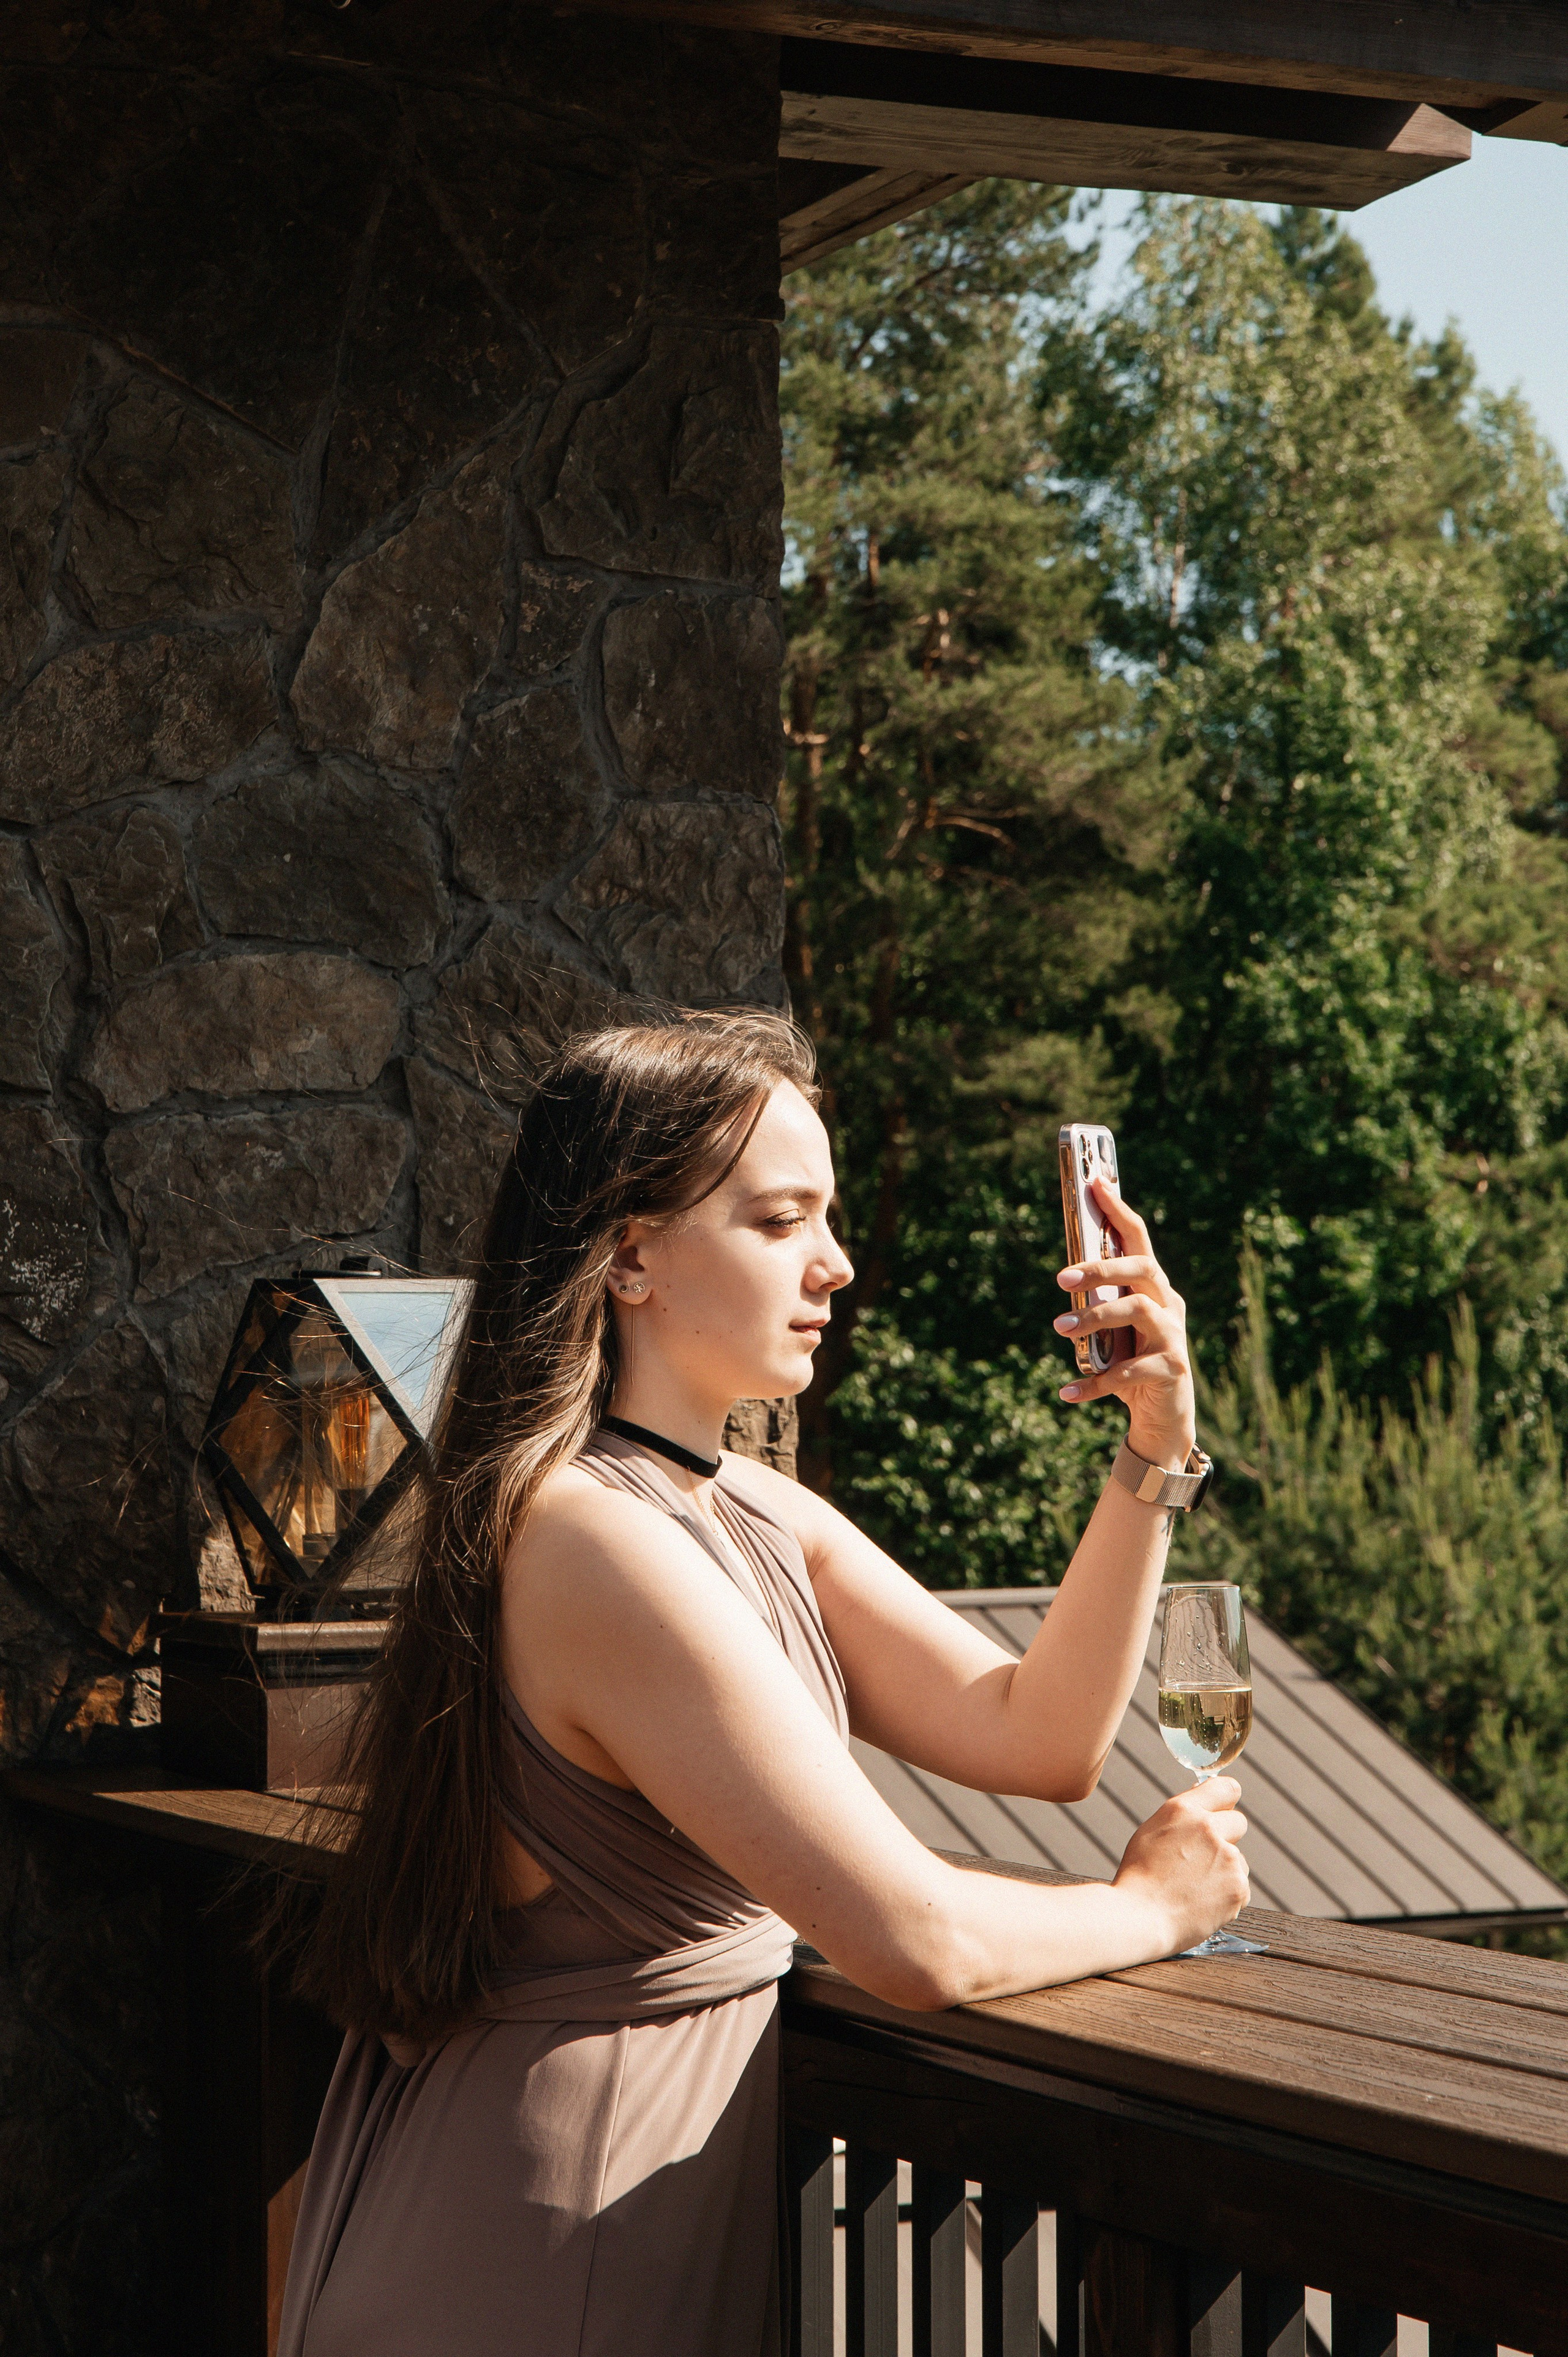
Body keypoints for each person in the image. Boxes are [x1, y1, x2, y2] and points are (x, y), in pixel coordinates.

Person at [278, 1010, 1248, 2357]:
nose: (835, 1265)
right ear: (628, 1254)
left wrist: (1153, 1448)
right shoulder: (592, 1540)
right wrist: (1148, 1908)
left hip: (593, 2226)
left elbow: (1037, 1737)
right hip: (542, 2258)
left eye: (826, 1218)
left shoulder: (747, 1511)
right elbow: (919, 1944)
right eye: (781, 1220)